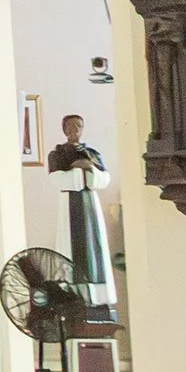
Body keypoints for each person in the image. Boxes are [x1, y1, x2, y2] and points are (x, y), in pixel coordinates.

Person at [46, 114, 117, 314]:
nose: (73, 130)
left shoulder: (91, 153)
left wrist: (89, 168)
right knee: (71, 247)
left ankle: (97, 297)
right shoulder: (57, 154)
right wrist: (79, 172)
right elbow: (57, 179)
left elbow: (104, 179)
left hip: (89, 205)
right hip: (69, 205)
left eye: (77, 126)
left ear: (83, 128)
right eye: (69, 126)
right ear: (63, 130)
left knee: (93, 248)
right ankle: (73, 296)